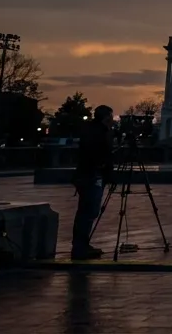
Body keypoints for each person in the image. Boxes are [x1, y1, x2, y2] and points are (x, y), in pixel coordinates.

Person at [71, 105, 114, 260]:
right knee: (88, 212)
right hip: (92, 176)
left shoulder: (91, 130)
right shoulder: (99, 133)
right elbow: (98, 154)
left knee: (85, 212)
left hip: (86, 175)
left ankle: (81, 245)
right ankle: (80, 247)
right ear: (106, 117)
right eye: (111, 117)